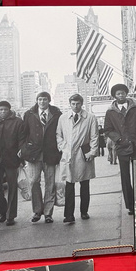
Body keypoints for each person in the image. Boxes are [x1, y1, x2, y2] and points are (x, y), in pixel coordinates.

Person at [103, 83, 136, 215]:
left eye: (123, 93)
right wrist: (118, 139)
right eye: (118, 94)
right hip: (122, 147)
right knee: (125, 177)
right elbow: (107, 129)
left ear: (126, 94)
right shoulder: (110, 112)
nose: (121, 96)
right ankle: (130, 205)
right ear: (114, 96)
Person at [56, 94, 100, 224]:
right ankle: (69, 214)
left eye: (78, 104)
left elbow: (94, 136)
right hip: (68, 154)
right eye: (73, 104)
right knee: (69, 185)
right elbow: (59, 135)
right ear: (70, 104)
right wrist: (64, 148)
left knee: (84, 184)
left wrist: (92, 152)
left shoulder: (90, 118)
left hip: (83, 154)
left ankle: (84, 211)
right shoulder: (63, 118)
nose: (75, 106)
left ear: (82, 104)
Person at [21, 92, 63, 224]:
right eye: (40, 99)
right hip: (34, 154)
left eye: (45, 99)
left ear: (49, 101)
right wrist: (24, 149)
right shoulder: (29, 114)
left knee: (50, 184)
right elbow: (23, 133)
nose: (42, 102)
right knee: (33, 181)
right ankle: (37, 210)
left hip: (50, 153)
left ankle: (48, 213)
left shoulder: (56, 114)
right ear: (37, 100)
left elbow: (60, 132)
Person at [0, 100, 25, 226]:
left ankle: (11, 215)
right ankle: (2, 212)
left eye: (5, 109)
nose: (3, 112)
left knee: (12, 188)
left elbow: (21, 140)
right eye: (1, 110)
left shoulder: (17, 122)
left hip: (12, 159)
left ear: (9, 110)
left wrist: (21, 156)